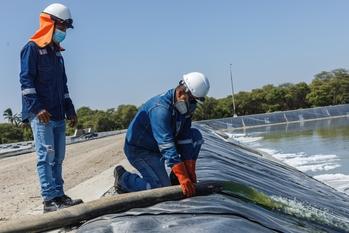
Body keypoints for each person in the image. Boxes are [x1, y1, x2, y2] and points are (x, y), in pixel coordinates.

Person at [19, 3, 82, 213]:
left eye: (65, 29)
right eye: (62, 27)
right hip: (41, 115)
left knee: (58, 157)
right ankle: (48, 200)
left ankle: (59, 195)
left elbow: (63, 86)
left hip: (57, 113)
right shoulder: (32, 48)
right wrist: (37, 109)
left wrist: (70, 109)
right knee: (45, 156)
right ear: (50, 23)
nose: (63, 32)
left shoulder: (57, 54)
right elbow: (26, 82)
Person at [114, 72, 210, 197]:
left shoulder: (183, 107)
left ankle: (175, 178)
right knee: (160, 190)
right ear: (181, 93)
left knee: (195, 137)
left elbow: (185, 137)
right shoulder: (160, 109)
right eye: (192, 99)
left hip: (157, 147)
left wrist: (189, 171)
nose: (193, 104)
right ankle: (124, 179)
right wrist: (182, 175)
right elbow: (167, 145)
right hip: (141, 150)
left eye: (195, 101)